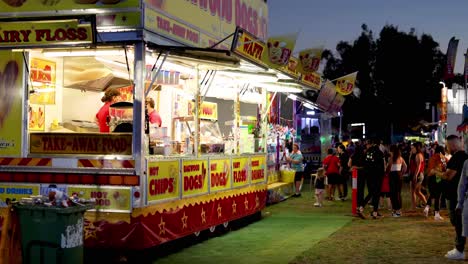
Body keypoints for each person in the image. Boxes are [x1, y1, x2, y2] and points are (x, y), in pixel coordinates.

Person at [434, 135, 468, 260]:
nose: (447, 149)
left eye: (447, 146)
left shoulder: (457, 158)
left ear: (453, 145)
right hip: (460, 195)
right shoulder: (464, 157)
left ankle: (459, 250)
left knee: (458, 223)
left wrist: (436, 172)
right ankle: (459, 248)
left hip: (455, 196)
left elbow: (449, 176)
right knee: (460, 223)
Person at [359, 138, 385, 219]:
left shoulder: (367, 152)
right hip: (377, 175)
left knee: (372, 192)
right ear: (379, 144)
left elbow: (364, 163)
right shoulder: (380, 153)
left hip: (368, 175)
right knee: (376, 193)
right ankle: (363, 208)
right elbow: (382, 165)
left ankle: (373, 211)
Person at [424, 145, 447, 220]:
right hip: (439, 178)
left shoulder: (432, 157)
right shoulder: (442, 157)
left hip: (431, 178)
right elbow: (445, 167)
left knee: (433, 193)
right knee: (437, 196)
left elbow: (429, 170)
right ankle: (436, 213)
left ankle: (427, 207)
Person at [386, 144, 407, 217]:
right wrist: (401, 173)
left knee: (393, 194)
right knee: (398, 193)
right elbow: (405, 166)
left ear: (392, 151)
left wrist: (386, 173)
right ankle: (398, 210)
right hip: (399, 176)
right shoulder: (400, 158)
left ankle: (396, 210)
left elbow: (388, 168)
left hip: (392, 176)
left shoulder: (391, 158)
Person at [408, 142, 427, 210]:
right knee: (416, 191)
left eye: (413, 148)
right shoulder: (413, 155)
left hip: (418, 174)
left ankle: (415, 206)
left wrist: (415, 175)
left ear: (417, 148)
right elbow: (410, 164)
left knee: (414, 191)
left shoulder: (418, 155)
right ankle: (424, 204)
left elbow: (418, 166)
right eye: (411, 148)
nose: (412, 149)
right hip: (415, 174)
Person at [349, 143, 366, 217]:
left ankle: (355, 206)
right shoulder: (364, 156)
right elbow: (365, 166)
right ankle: (360, 205)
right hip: (361, 175)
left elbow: (349, 164)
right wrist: (359, 167)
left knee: (355, 190)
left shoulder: (353, 155)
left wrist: (354, 167)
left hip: (354, 175)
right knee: (361, 191)